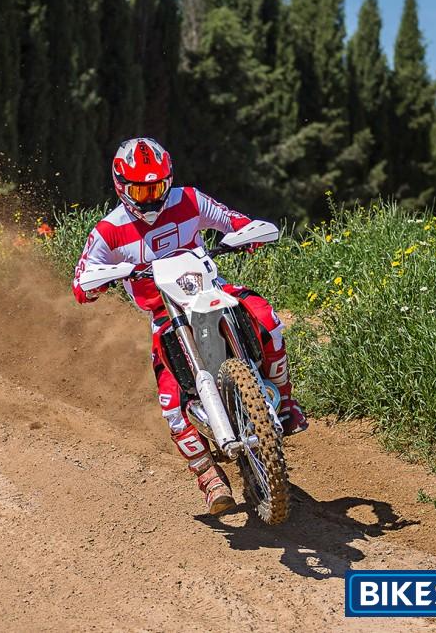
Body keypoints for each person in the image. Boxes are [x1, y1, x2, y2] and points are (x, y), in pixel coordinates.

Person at [71, 137, 307, 516]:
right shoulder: (109, 231)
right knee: (170, 404)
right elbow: (82, 280)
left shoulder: (189, 200)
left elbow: (233, 220)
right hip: (166, 315)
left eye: (157, 188)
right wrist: (98, 282)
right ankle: (208, 476)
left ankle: (285, 401)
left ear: (169, 180)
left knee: (267, 318)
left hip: (210, 290)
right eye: (141, 191)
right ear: (122, 187)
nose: (151, 198)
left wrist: (246, 234)